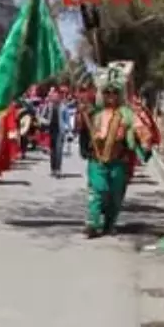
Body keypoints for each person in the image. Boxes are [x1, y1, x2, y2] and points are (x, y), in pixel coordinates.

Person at [80, 61, 154, 238]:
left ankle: (109, 224)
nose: (110, 96)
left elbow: (141, 131)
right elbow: (83, 132)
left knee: (115, 196)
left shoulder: (127, 114)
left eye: (114, 92)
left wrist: (144, 143)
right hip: (97, 161)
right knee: (97, 191)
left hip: (118, 162)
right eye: (107, 92)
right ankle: (92, 223)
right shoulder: (93, 113)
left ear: (119, 94)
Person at [44, 88, 68, 177]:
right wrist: (44, 122)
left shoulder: (63, 106)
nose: (55, 97)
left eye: (57, 95)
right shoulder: (48, 106)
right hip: (51, 130)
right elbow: (42, 116)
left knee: (59, 150)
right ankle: (53, 169)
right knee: (53, 151)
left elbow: (67, 119)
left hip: (60, 130)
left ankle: (58, 169)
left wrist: (68, 131)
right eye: (54, 95)